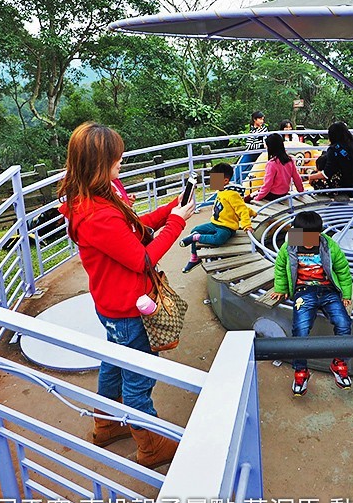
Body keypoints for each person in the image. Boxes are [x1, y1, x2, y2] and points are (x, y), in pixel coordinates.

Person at [58, 122, 195, 466]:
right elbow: (142, 257)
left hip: (113, 305)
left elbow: (132, 228)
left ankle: (106, 425)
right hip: (128, 309)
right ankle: (150, 447)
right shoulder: (97, 214)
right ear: (98, 164)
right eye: (115, 159)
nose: (121, 162)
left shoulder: (98, 197)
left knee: (115, 364)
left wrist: (169, 211)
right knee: (138, 378)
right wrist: (177, 224)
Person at [270, 210, 353, 396]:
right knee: (300, 329)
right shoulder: (290, 245)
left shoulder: (329, 246)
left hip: (328, 290)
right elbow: (281, 267)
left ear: (320, 233)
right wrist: (281, 288)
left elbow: (342, 269)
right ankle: (301, 370)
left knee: (344, 322)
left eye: (313, 236)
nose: (308, 241)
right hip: (304, 291)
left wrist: (346, 293)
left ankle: (339, 362)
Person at [180, 162, 253, 272]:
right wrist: (253, 212)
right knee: (195, 229)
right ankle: (194, 258)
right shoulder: (221, 191)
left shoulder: (232, 194)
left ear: (225, 181)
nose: (211, 182)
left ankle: (196, 238)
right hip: (214, 223)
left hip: (226, 227)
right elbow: (240, 208)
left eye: (214, 179)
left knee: (219, 239)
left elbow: (242, 209)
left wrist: (247, 225)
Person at [251, 133, 305, 202]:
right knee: (257, 193)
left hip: (273, 195)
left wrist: (258, 198)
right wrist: (301, 191)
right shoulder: (290, 160)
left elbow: (268, 184)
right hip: (284, 193)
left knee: (250, 197)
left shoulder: (272, 164)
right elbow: (297, 178)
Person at [233, 111, 268, 185]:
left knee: (249, 171)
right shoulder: (251, 130)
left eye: (262, 119)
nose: (262, 121)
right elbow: (249, 145)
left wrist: (259, 144)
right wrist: (260, 144)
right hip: (250, 153)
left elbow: (266, 142)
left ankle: (238, 185)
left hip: (260, 154)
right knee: (239, 168)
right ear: (254, 119)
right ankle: (229, 184)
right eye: (260, 119)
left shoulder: (264, 129)